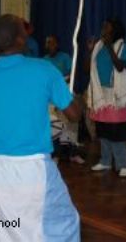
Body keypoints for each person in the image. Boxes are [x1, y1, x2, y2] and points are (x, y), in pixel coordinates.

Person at [0, 14, 81, 242]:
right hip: (34, 171)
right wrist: (67, 93)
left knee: (1, 232)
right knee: (60, 226)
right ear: (21, 40)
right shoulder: (45, 70)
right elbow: (74, 115)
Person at [87, 18, 126, 178]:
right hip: (101, 95)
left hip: (115, 96)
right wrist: (90, 50)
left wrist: (109, 47)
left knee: (116, 133)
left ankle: (123, 164)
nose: (103, 29)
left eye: (106, 27)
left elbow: (120, 67)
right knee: (103, 132)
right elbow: (90, 69)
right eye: (103, 26)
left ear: (114, 30)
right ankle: (106, 161)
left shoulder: (122, 46)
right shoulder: (98, 46)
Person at [45, 35, 85, 164]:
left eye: (51, 42)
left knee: (70, 124)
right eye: (47, 43)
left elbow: (71, 75)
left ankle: (73, 153)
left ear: (57, 44)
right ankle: (56, 154)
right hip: (50, 97)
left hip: (64, 92)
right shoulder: (44, 61)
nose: (49, 45)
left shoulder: (65, 57)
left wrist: (61, 82)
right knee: (55, 125)